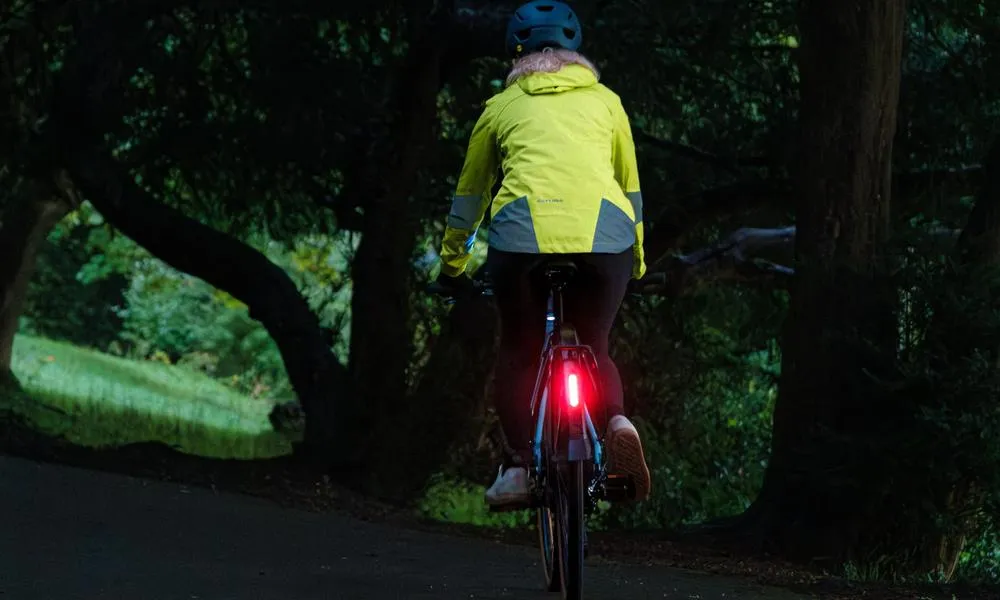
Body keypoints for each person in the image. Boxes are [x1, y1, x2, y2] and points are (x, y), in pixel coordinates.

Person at [434, 0, 652, 507]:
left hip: (521, 242)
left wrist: (453, 266)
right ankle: (618, 421)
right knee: (595, 344)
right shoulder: (607, 102)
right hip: (606, 239)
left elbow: (470, 199)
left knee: (519, 349)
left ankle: (518, 468)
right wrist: (635, 259)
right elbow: (631, 189)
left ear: (515, 53)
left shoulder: (502, 108)